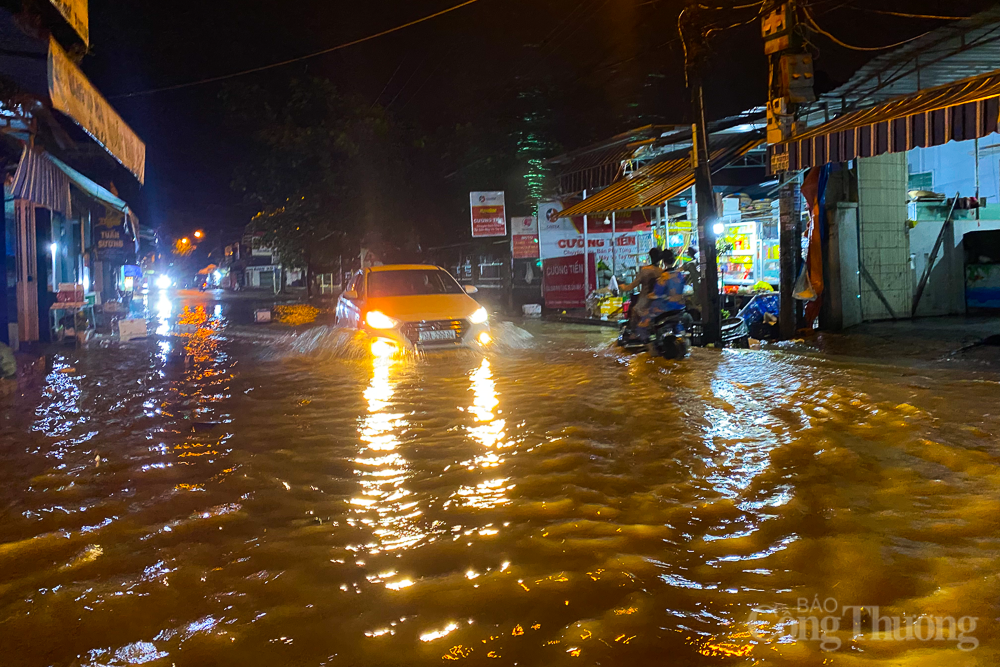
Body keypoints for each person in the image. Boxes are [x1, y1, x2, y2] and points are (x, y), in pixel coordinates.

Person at [636, 248, 687, 341]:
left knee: (641, 325)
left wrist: (649, 295)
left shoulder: (663, 277)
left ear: (663, 261)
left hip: (665, 309)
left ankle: (650, 346)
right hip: (680, 308)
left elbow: (656, 293)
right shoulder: (679, 274)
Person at [620, 248, 663, 333]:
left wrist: (623, 287)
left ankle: (634, 333)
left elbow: (631, 286)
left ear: (650, 257)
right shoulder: (662, 272)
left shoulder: (645, 270)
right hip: (659, 303)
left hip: (644, 304)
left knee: (634, 311)